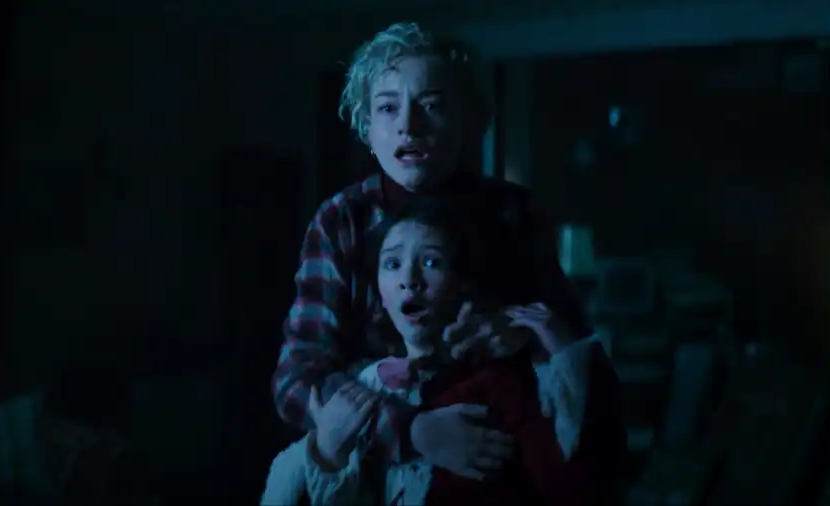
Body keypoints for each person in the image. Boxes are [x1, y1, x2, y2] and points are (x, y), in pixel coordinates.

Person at [272, 21, 622, 489]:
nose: (408, 125)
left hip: (502, 465)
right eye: (388, 107)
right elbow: (297, 382)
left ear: (467, 123)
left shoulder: (511, 214)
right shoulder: (342, 220)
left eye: (431, 106)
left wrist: (523, 335)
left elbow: (576, 364)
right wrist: (411, 431)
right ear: (367, 128)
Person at [262, 197, 622, 505]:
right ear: (380, 293)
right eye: (392, 264)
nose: (409, 279)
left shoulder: (498, 382)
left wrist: (562, 355)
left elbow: (569, 487)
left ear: (462, 285)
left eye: (431, 262)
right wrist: (329, 453)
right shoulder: (366, 385)